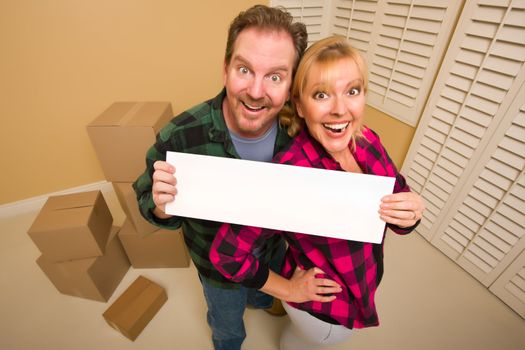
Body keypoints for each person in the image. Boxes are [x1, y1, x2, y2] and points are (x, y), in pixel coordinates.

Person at [133, 5, 340, 350]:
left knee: (262, 298)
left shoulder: (302, 136)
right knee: (227, 324)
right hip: (218, 273)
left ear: (291, 85)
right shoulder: (180, 135)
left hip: (272, 253)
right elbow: (145, 200)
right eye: (245, 69)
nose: (256, 91)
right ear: (226, 68)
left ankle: (261, 300)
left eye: (275, 76)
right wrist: (160, 207)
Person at [210, 35, 425, 349]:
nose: (340, 110)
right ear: (299, 104)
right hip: (324, 312)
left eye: (352, 91)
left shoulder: (366, 140)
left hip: (362, 277)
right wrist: (288, 290)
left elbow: (396, 207)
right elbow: (226, 255)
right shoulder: (289, 175)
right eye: (322, 94)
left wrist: (410, 212)